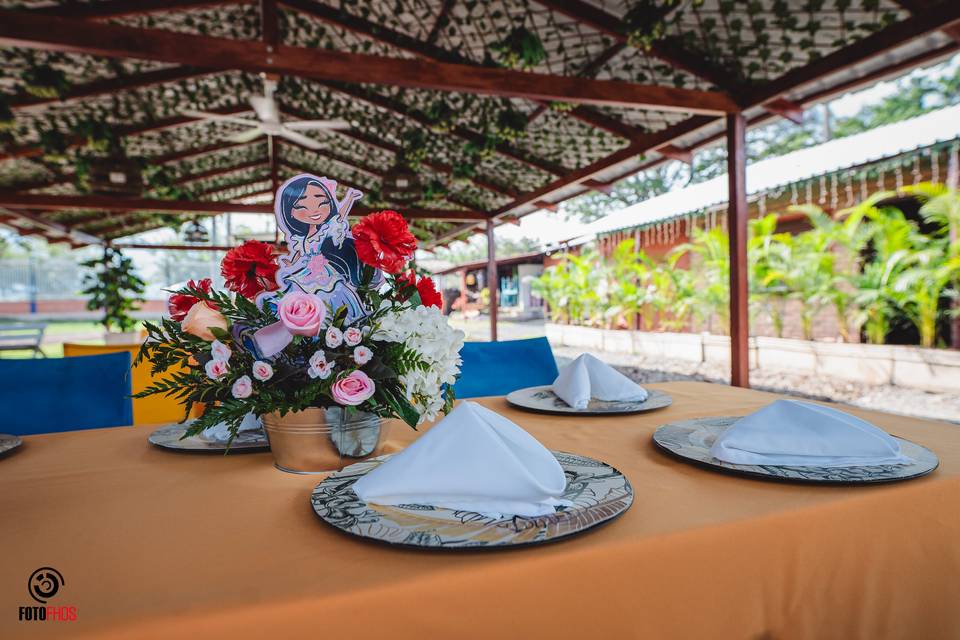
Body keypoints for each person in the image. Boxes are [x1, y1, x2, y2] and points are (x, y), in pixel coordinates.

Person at [261, 174, 376, 324]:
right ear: (290, 212)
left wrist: (350, 198)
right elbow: (300, 254)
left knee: (330, 294)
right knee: (300, 296)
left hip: (323, 272)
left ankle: (335, 322)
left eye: (322, 203)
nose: (314, 211)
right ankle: (307, 324)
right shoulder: (300, 238)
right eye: (302, 206)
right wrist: (291, 264)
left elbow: (339, 217)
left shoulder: (324, 231)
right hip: (304, 272)